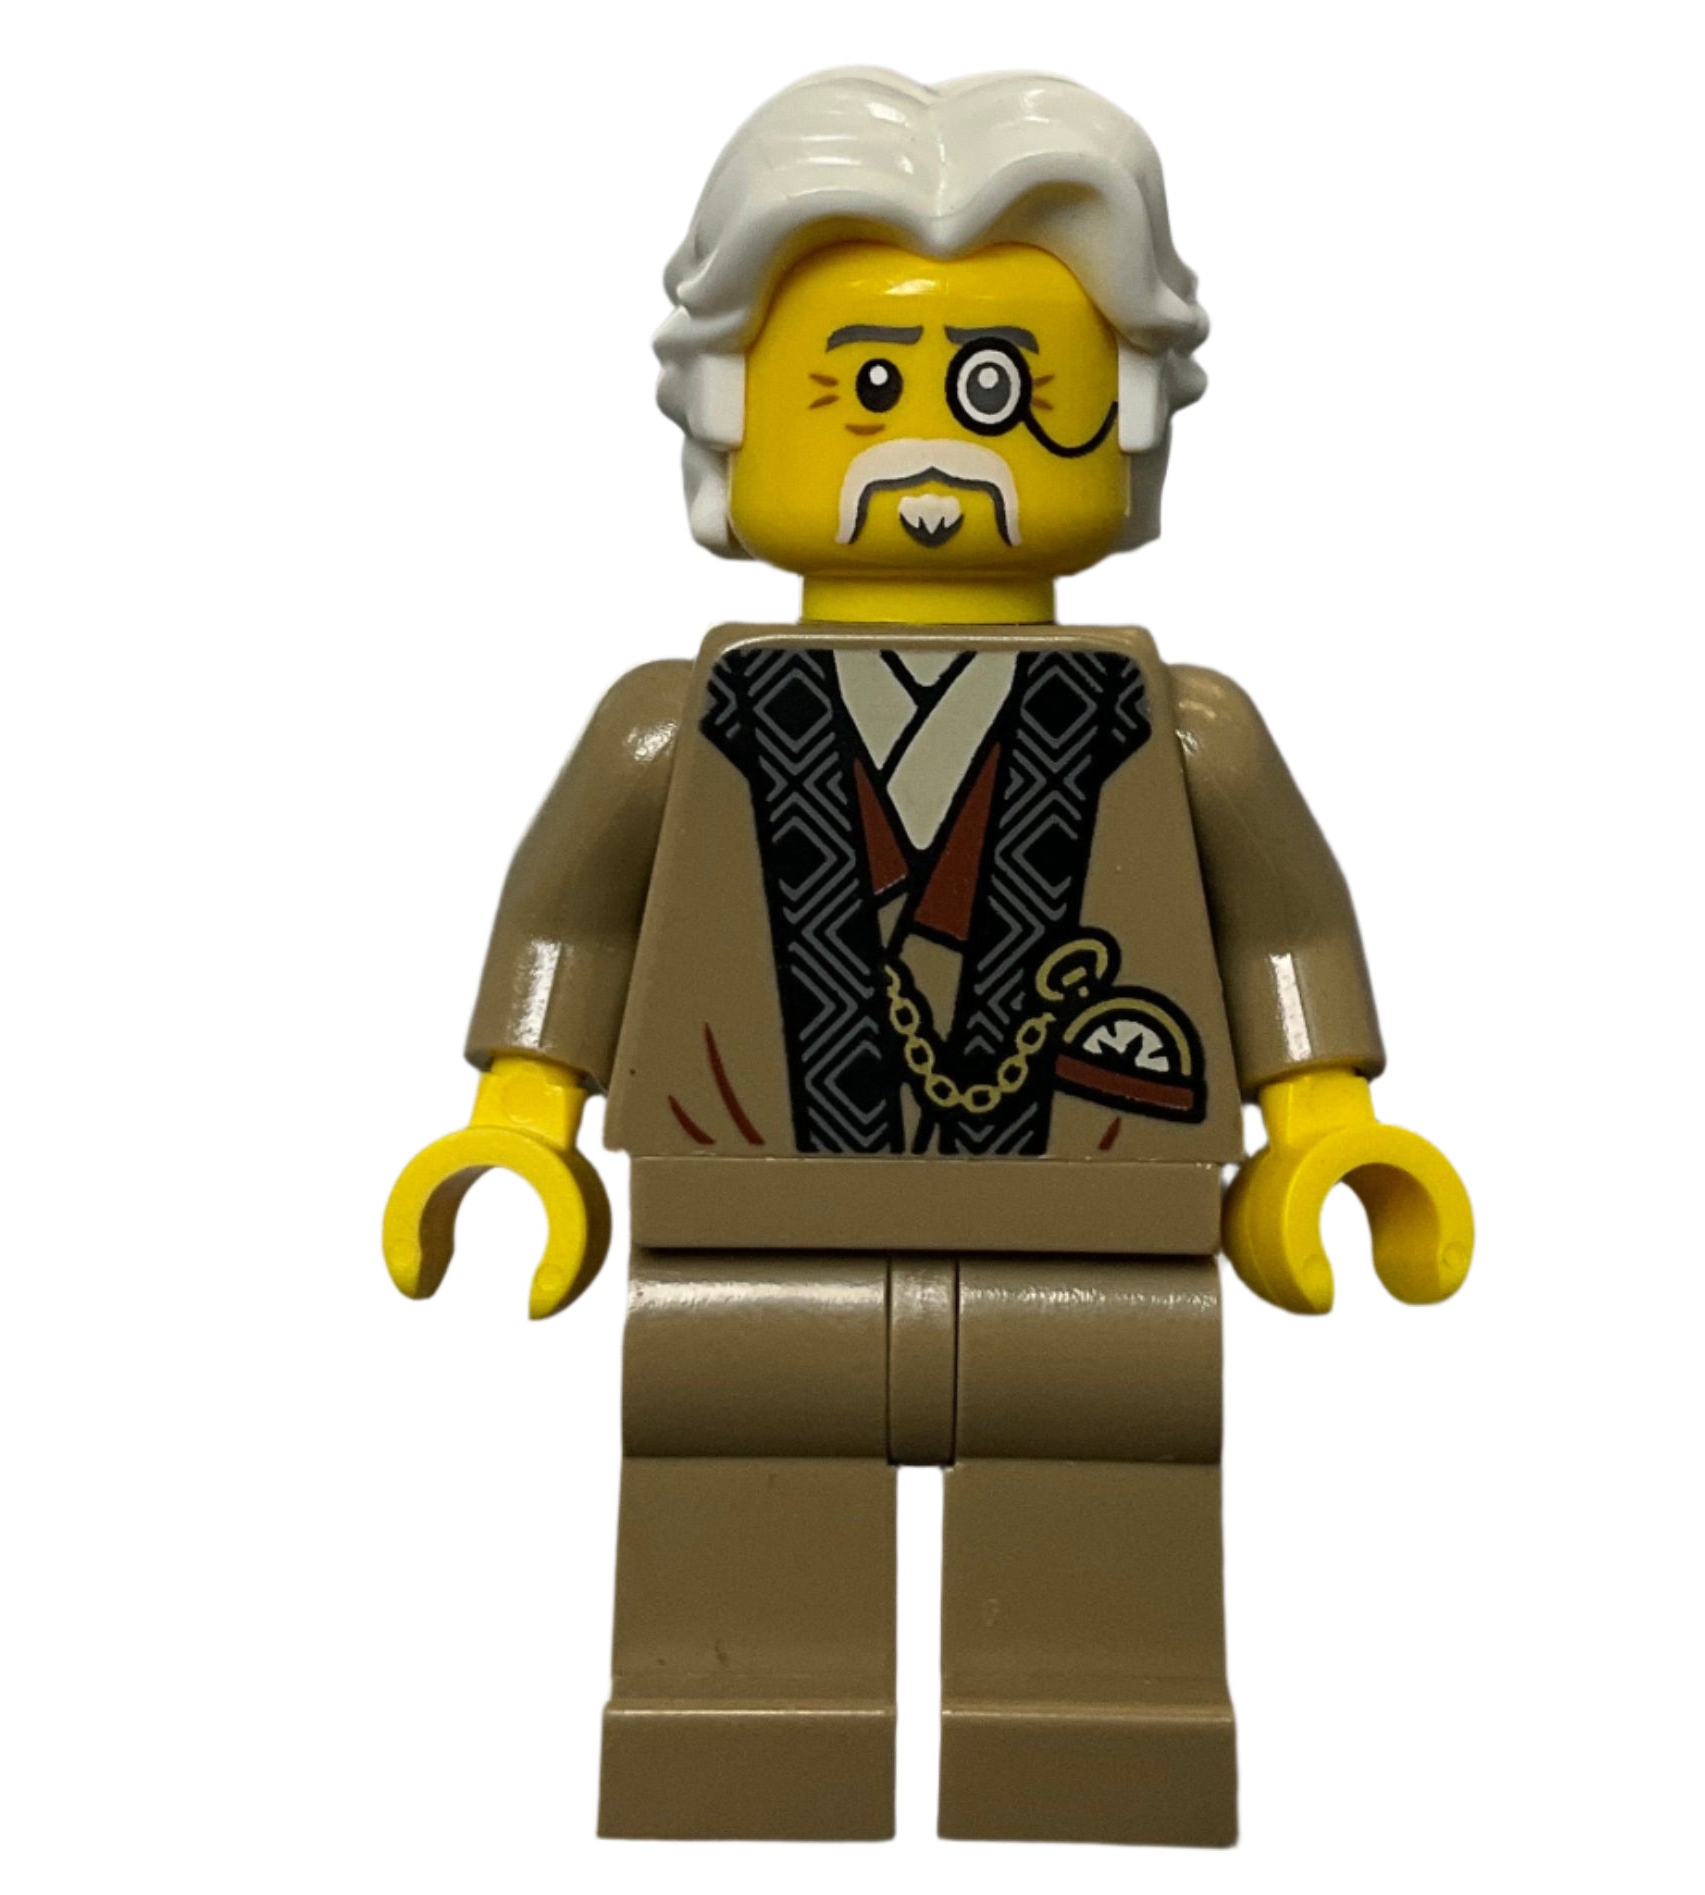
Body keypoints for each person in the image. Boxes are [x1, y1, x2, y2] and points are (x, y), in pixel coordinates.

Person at [383, 67, 1473, 1846]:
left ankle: (1091, 1742)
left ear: (1126, 423)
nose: (937, 448)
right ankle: (737, 1737)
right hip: (745, 1224)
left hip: (1101, 1230)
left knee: (1105, 1502)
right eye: (869, 388)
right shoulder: (677, 725)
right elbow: (569, 917)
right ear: (731, 414)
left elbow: (1284, 924)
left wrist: (1327, 1130)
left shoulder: (1179, 729)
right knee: (735, 1504)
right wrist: (519, 1126)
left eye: (1000, 390)